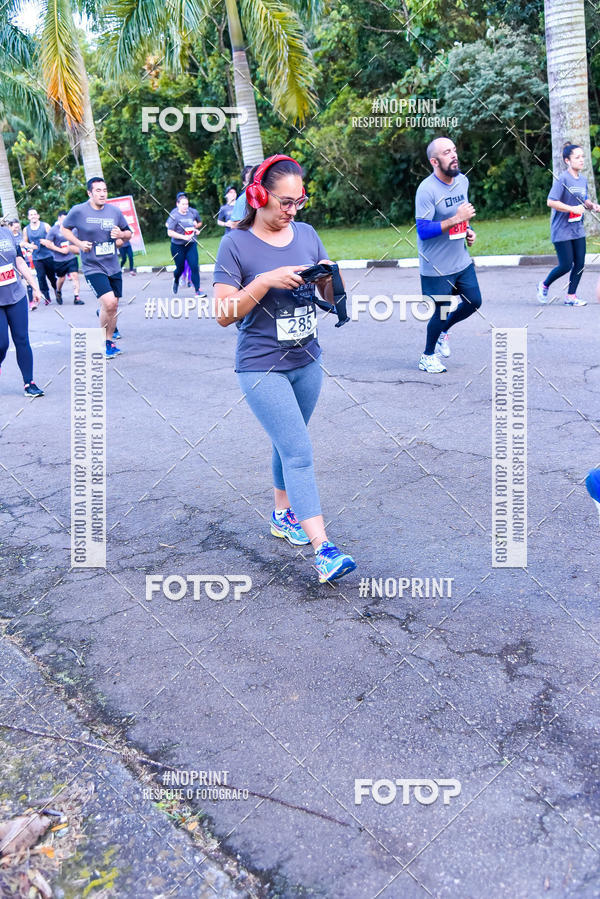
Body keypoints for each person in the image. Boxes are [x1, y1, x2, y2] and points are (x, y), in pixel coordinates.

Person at [214, 154, 357, 584]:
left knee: (286, 441)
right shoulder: (235, 245)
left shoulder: (308, 234)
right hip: (261, 365)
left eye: (299, 201)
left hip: (307, 360)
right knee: (299, 451)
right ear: (258, 196)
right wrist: (263, 281)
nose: (292, 210)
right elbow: (223, 312)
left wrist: (330, 276)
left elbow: (330, 296)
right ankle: (324, 550)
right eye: (284, 202)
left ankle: (282, 515)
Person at [415, 136, 481, 374]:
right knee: (440, 312)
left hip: (460, 260)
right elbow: (423, 231)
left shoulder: (462, 181)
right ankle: (427, 356)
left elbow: (462, 217)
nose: (454, 155)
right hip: (436, 266)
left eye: (454, 150)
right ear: (434, 161)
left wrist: (469, 231)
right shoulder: (426, 190)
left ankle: (444, 331)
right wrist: (457, 220)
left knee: (474, 301)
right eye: (446, 152)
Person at [62, 177, 132, 358]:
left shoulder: (114, 212)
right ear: (89, 193)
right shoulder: (78, 211)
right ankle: (104, 341)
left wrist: (121, 234)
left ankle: (110, 341)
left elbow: (128, 233)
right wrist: (79, 243)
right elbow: (65, 229)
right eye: (98, 190)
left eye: (105, 190)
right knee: (109, 302)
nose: (102, 194)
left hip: (113, 265)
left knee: (113, 305)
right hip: (93, 266)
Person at [537, 144, 600, 307]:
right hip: (561, 230)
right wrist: (572, 208)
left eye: (582, 156)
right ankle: (544, 285)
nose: (581, 160)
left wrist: (592, 205)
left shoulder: (583, 180)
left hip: (577, 228)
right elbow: (550, 201)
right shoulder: (563, 179)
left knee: (579, 263)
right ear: (567, 160)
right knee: (565, 265)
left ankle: (571, 296)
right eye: (577, 157)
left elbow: (582, 200)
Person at [0, 219, 45, 396]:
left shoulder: (7, 233)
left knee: (22, 339)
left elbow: (19, 262)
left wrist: (35, 286)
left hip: (16, 294)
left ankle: (29, 383)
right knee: (2, 343)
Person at [165, 192, 207, 298]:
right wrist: (183, 237)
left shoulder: (191, 214)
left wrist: (196, 230)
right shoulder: (174, 216)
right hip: (177, 246)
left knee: (194, 266)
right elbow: (170, 232)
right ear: (177, 204)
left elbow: (192, 227)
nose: (185, 206)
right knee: (180, 268)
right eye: (183, 204)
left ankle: (198, 290)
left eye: (187, 204)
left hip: (191, 244)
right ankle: (176, 279)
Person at [42, 210, 83, 305]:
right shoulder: (54, 230)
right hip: (59, 259)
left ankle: (76, 297)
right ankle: (58, 291)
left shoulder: (73, 229)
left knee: (75, 276)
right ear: (59, 218)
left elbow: (77, 241)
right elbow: (48, 244)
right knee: (61, 279)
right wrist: (60, 250)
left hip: (71, 258)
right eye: (64, 219)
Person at [21, 208, 57, 305]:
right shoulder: (26, 229)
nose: (33, 216)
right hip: (37, 257)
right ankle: (47, 297)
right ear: (29, 217)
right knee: (41, 278)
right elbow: (24, 242)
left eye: (34, 214)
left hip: (48, 255)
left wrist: (47, 242)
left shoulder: (45, 226)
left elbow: (53, 238)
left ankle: (57, 291)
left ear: (38, 216)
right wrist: (30, 246)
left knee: (52, 277)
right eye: (31, 215)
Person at [5, 218, 37, 309]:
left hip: (23, 261)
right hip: (12, 265)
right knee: (18, 282)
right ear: (9, 227)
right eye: (15, 227)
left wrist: (30, 248)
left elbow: (25, 245)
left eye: (18, 227)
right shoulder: (7, 237)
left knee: (28, 281)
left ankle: (31, 302)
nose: (17, 229)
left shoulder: (21, 235)